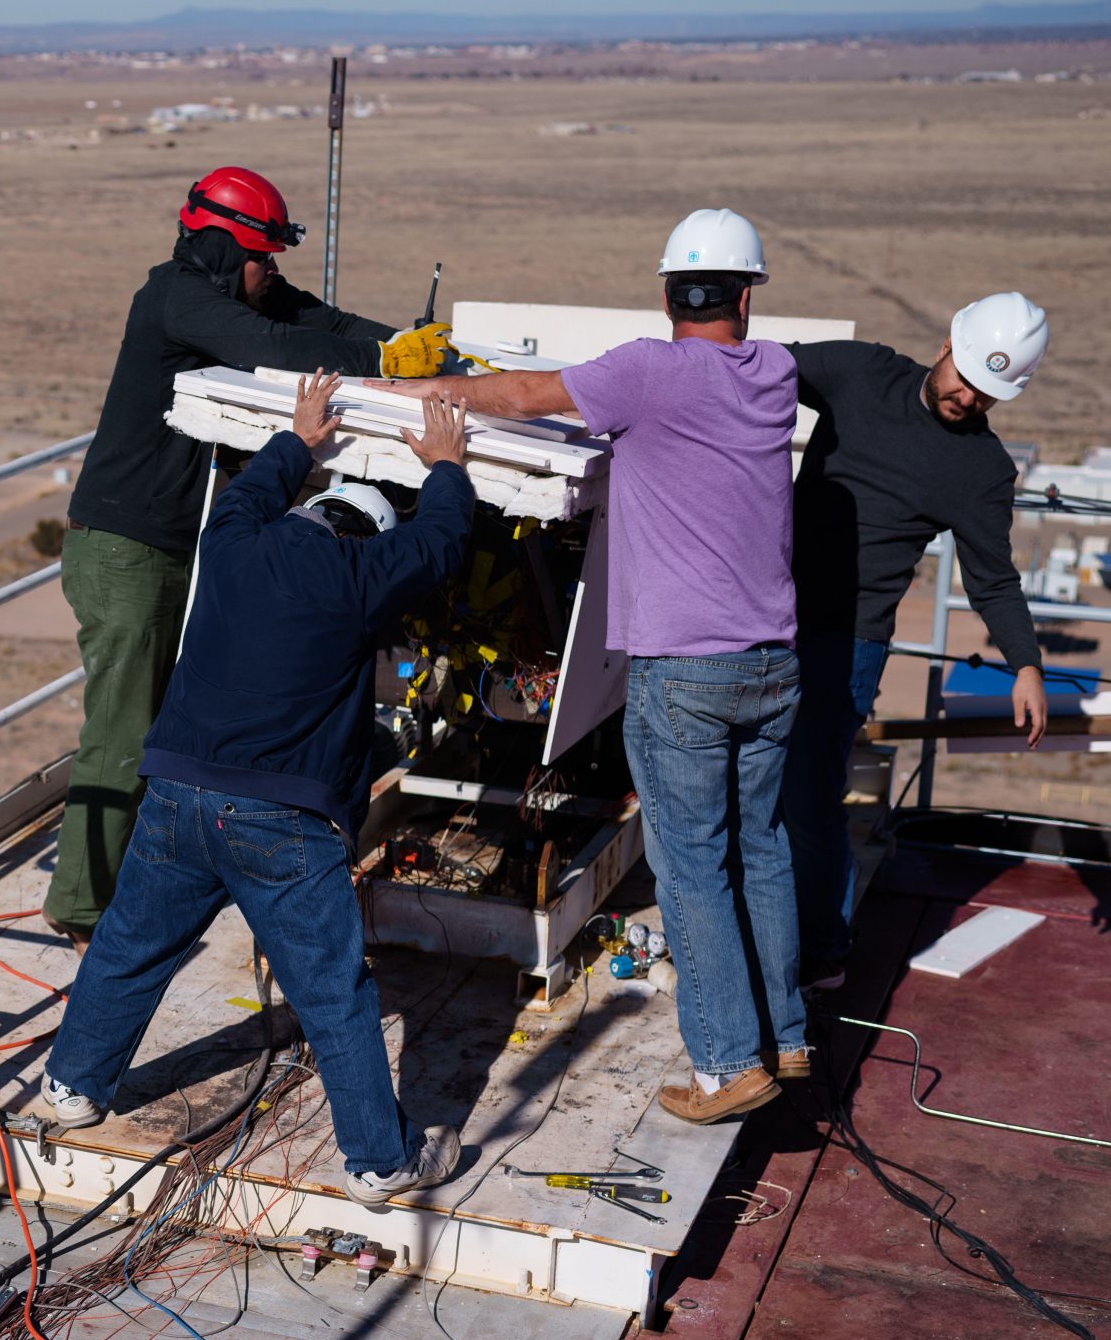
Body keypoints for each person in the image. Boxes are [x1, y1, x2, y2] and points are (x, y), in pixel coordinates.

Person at [41, 371, 475, 1208]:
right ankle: (380, 1163)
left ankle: (71, 1088)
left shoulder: (233, 541)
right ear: (362, 536)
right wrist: (447, 467)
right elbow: (439, 547)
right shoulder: (359, 576)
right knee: (334, 994)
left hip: (175, 793)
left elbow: (246, 493)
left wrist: (298, 437)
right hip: (282, 819)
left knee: (130, 946)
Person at [413, 209, 804, 1122]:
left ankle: (725, 1067)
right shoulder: (776, 373)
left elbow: (517, 397)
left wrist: (429, 398)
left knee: (693, 869)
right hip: (772, 664)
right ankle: (787, 1039)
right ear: (747, 297)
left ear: (668, 293)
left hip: (685, 671)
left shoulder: (645, 371)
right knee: (765, 851)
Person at [45, 166, 453, 949]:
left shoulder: (234, 291)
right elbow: (272, 344)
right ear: (229, 254)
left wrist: (406, 347)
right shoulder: (179, 299)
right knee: (125, 728)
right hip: (124, 548)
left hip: (172, 548)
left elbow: (319, 319)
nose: (275, 275)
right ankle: (81, 908)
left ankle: (136, 877)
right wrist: (386, 361)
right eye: (265, 259)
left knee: (165, 722)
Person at [784, 294, 1052, 990]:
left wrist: (1025, 664)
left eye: (989, 394)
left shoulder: (983, 470)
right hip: (762, 606)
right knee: (743, 775)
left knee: (810, 794)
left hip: (850, 637)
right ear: (945, 345)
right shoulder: (861, 374)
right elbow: (752, 373)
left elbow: (993, 580)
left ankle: (823, 951)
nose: (967, 397)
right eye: (964, 376)